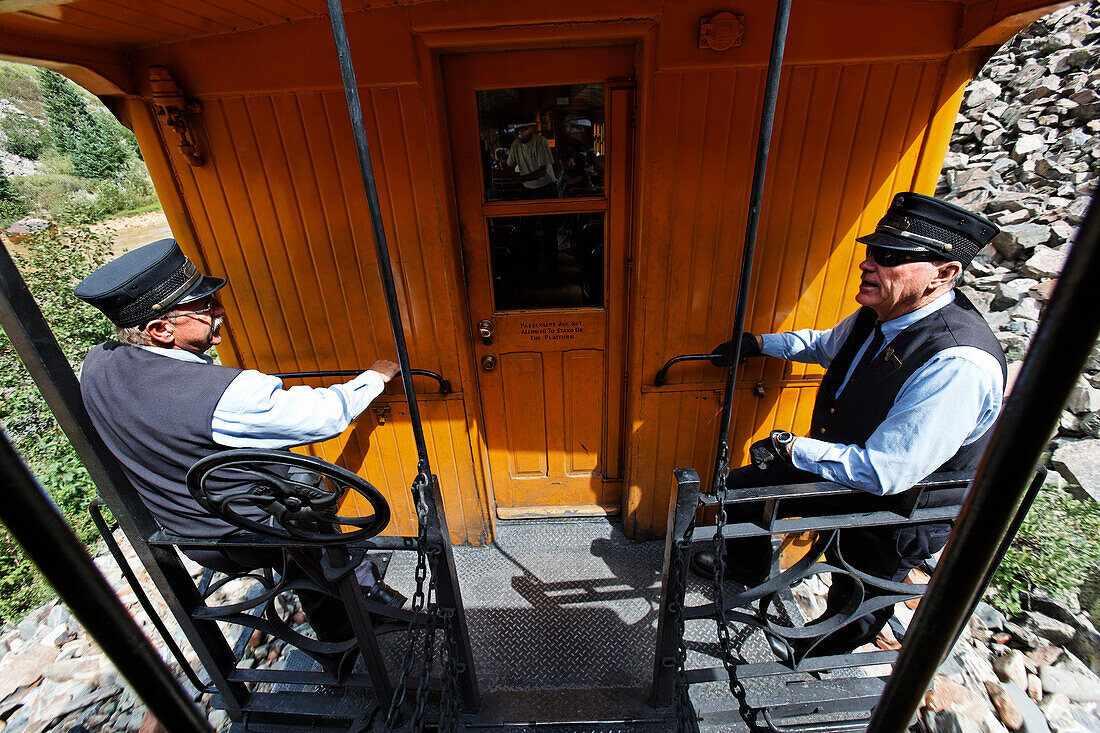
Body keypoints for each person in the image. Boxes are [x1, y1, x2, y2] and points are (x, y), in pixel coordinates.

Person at [693, 192, 1006, 657]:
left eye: (892, 257)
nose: (869, 264)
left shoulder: (958, 362)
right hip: (848, 469)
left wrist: (792, 447)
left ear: (944, 274)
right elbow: (824, 346)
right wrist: (758, 342)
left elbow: (886, 472)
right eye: (872, 252)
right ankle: (746, 566)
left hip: (900, 506)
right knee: (742, 489)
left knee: (857, 585)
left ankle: (819, 656)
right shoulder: (879, 315)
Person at [74, 237, 406, 635]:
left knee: (290, 491)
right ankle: (362, 603)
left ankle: (337, 623)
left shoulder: (96, 365)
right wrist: (376, 377)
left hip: (187, 531)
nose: (220, 311)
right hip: (242, 532)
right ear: (161, 329)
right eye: (204, 307)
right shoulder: (222, 394)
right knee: (305, 493)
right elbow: (325, 415)